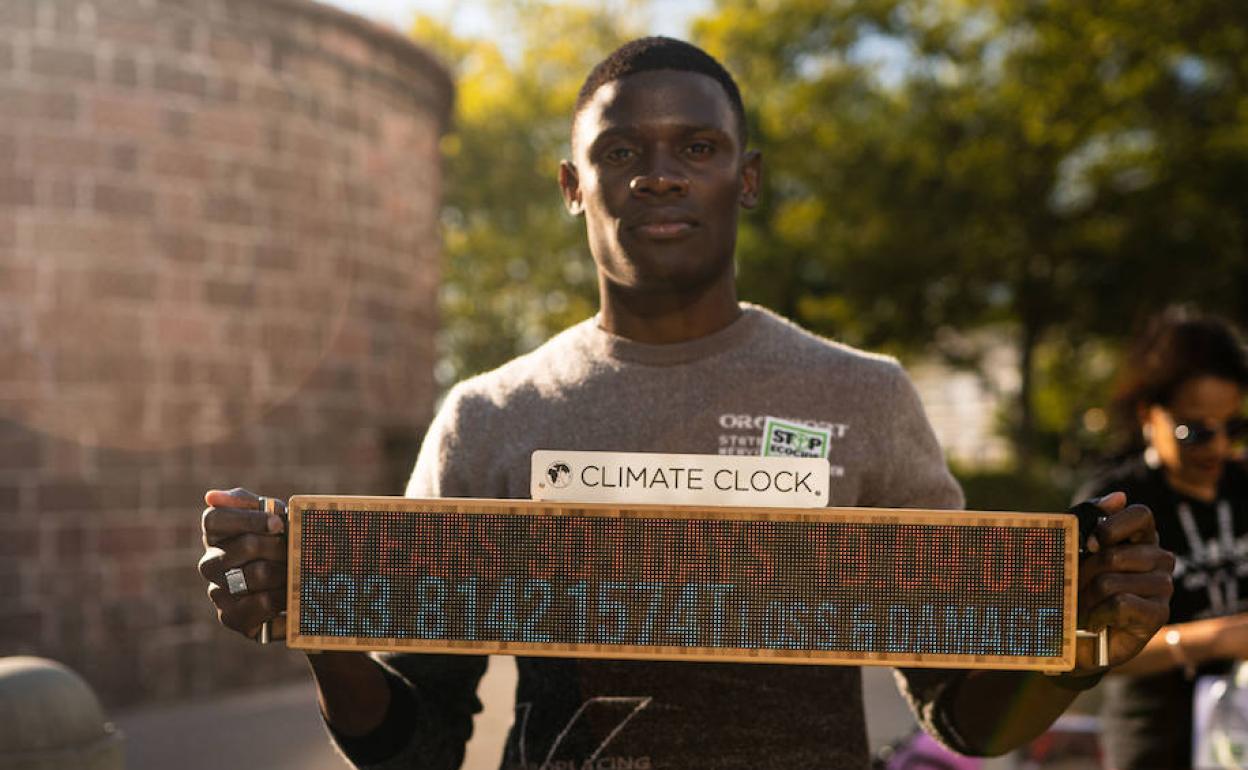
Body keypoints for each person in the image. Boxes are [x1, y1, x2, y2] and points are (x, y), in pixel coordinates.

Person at [198, 37, 1174, 770]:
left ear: (745, 180)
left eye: (697, 146)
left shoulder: (861, 396)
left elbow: (960, 712)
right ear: (574, 186)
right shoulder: (489, 416)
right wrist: (313, 623)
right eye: (621, 150)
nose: (658, 173)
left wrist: (1071, 651)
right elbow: (418, 742)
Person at [1076, 309, 1248, 769]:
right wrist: (1210, 639)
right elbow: (1086, 647)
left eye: (1233, 427)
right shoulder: (1117, 505)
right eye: (1195, 431)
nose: (1217, 448)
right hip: (1154, 745)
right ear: (1148, 414)